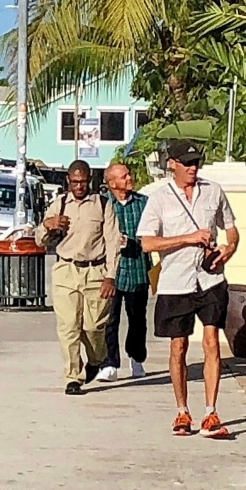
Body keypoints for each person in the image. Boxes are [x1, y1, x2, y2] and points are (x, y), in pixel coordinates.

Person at [137, 140, 240, 438]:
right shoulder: (159, 199)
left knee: (211, 341)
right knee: (178, 346)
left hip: (210, 279)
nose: (193, 168)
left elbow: (231, 229)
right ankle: (182, 410)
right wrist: (187, 238)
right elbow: (148, 242)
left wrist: (228, 250)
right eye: (187, 163)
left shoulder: (213, 191)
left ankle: (211, 412)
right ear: (173, 164)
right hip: (175, 281)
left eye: (197, 163)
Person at [35, 159, 120, 394]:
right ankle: (73, 377)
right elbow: (39, 239)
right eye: (75, 182)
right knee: (68, 326)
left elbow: (113, 243)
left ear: (90, 180)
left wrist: (110, 276)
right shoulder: (59, 204)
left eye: (83, 182)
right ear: (68, 181)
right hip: (66, 270)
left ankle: (96, 359)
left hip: (95, 271)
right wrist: (47, 225)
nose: (79, 186)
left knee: (94, 327)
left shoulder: (103, 205)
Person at [95, 161, 149, 381]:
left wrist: (134, 241)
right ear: (112, 183)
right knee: (110, 318)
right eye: (124, 176)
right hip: (111, 271)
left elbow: (154, 232)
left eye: (128, 174)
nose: (129, 178)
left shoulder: (144, 203)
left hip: (137, 268)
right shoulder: (103, 206)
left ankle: (137, 358)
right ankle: (109, 363)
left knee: (137, 318)